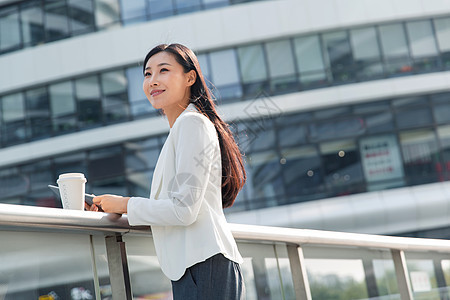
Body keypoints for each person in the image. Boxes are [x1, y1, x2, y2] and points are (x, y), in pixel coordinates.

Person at [87, 43, 247, 299]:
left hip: (203, 266)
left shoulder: (192, 124)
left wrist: (125, 204)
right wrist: (115, 208)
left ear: (189, 77)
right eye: (147, 74)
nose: (153, 80)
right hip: (197, 268)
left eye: (163, 70)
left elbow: (183, 209)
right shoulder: (183, 128)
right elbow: (176, 208)